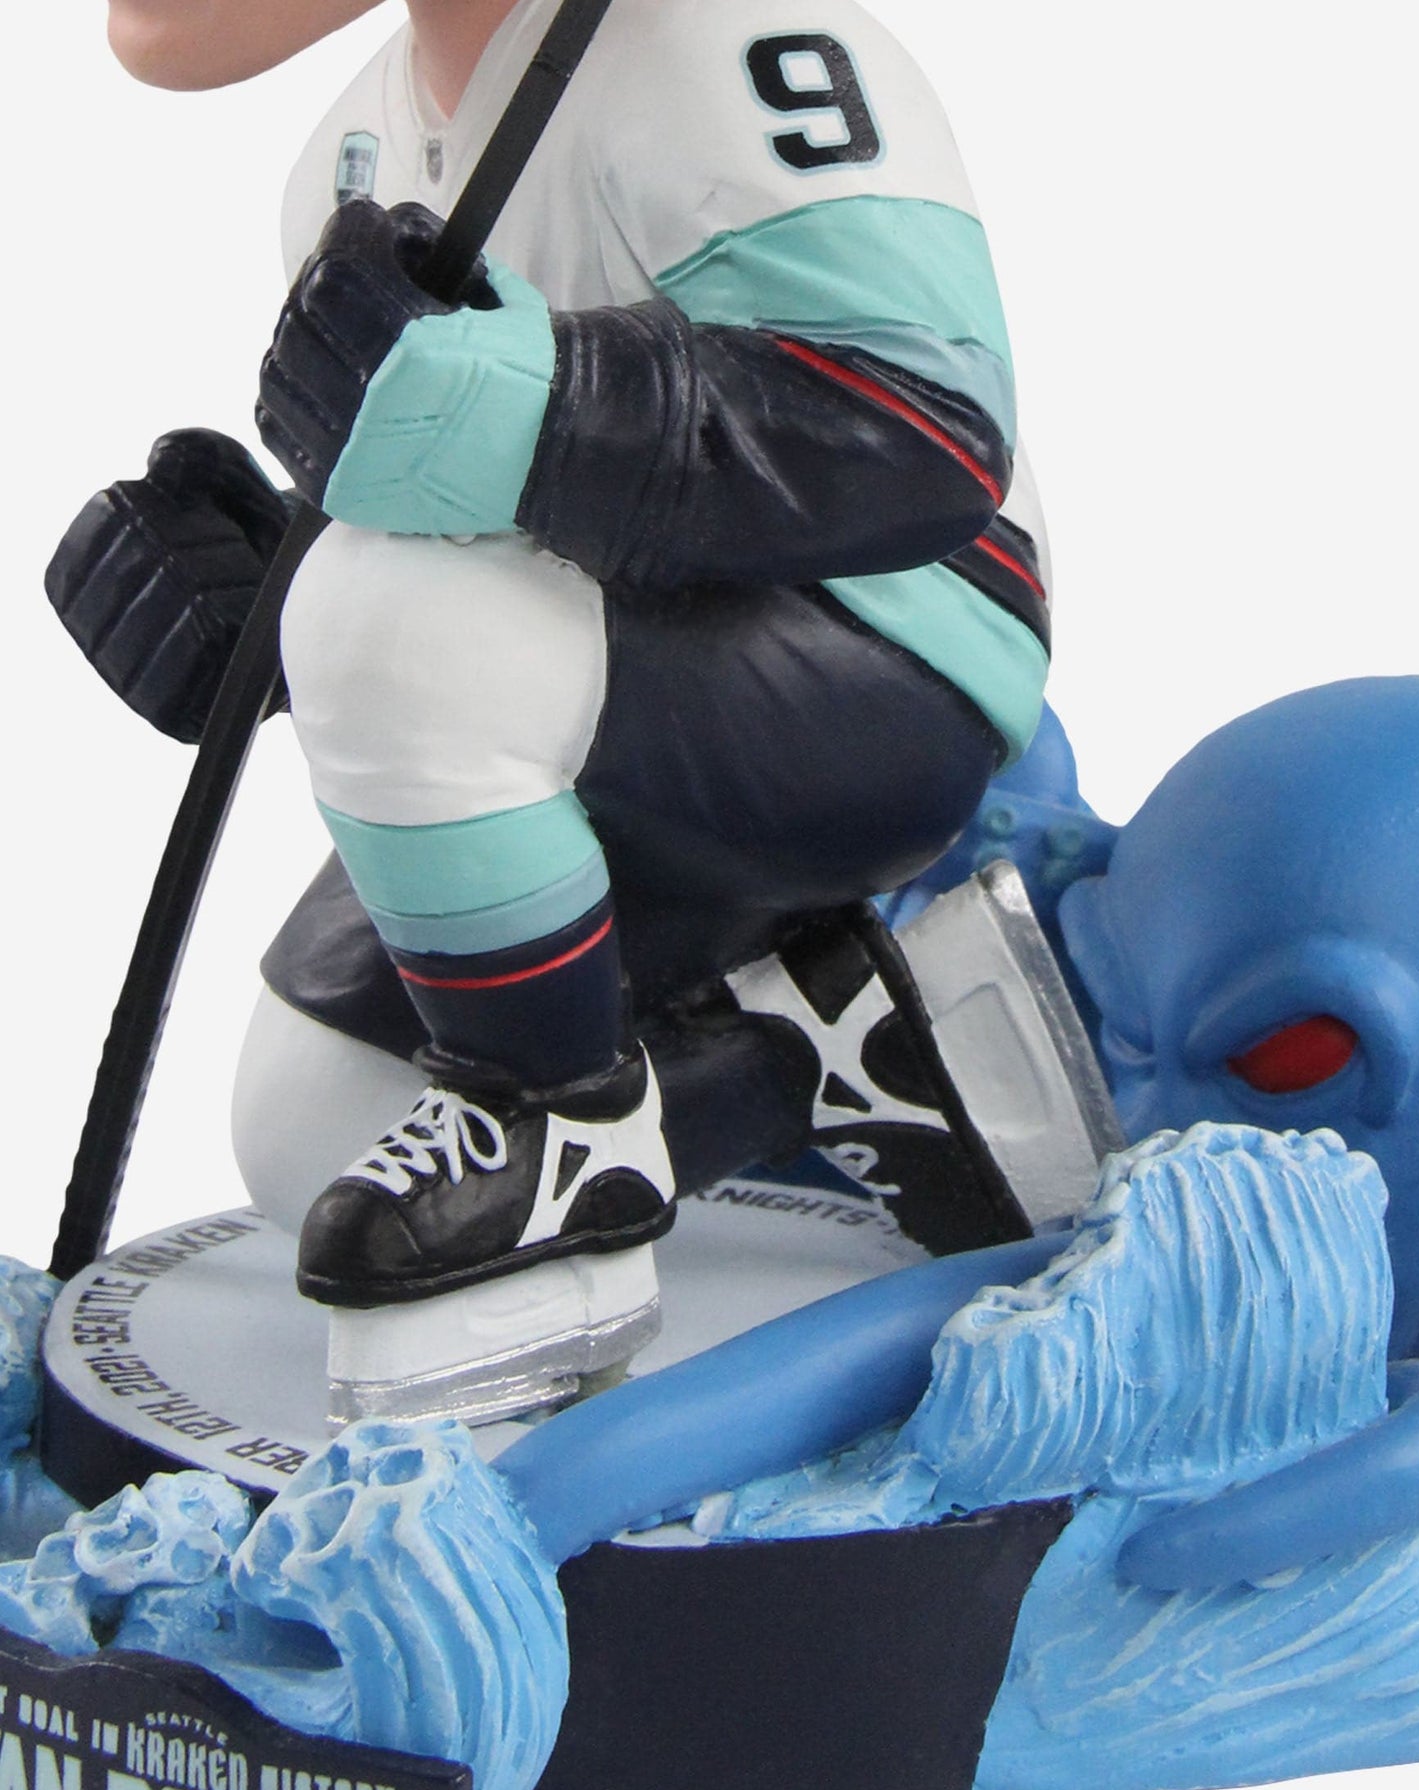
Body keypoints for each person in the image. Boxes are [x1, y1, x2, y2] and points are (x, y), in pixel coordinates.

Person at [60, 0, 1052, 1414]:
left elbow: (926, 432)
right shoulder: (348, 155)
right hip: (598, 680)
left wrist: (519, 418)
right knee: (307, 1126)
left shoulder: (730, 46)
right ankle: (797, 1044)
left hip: (882, 656)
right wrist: (255, 601)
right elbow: (429, 500)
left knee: (382, 617)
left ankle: (559, 1149)